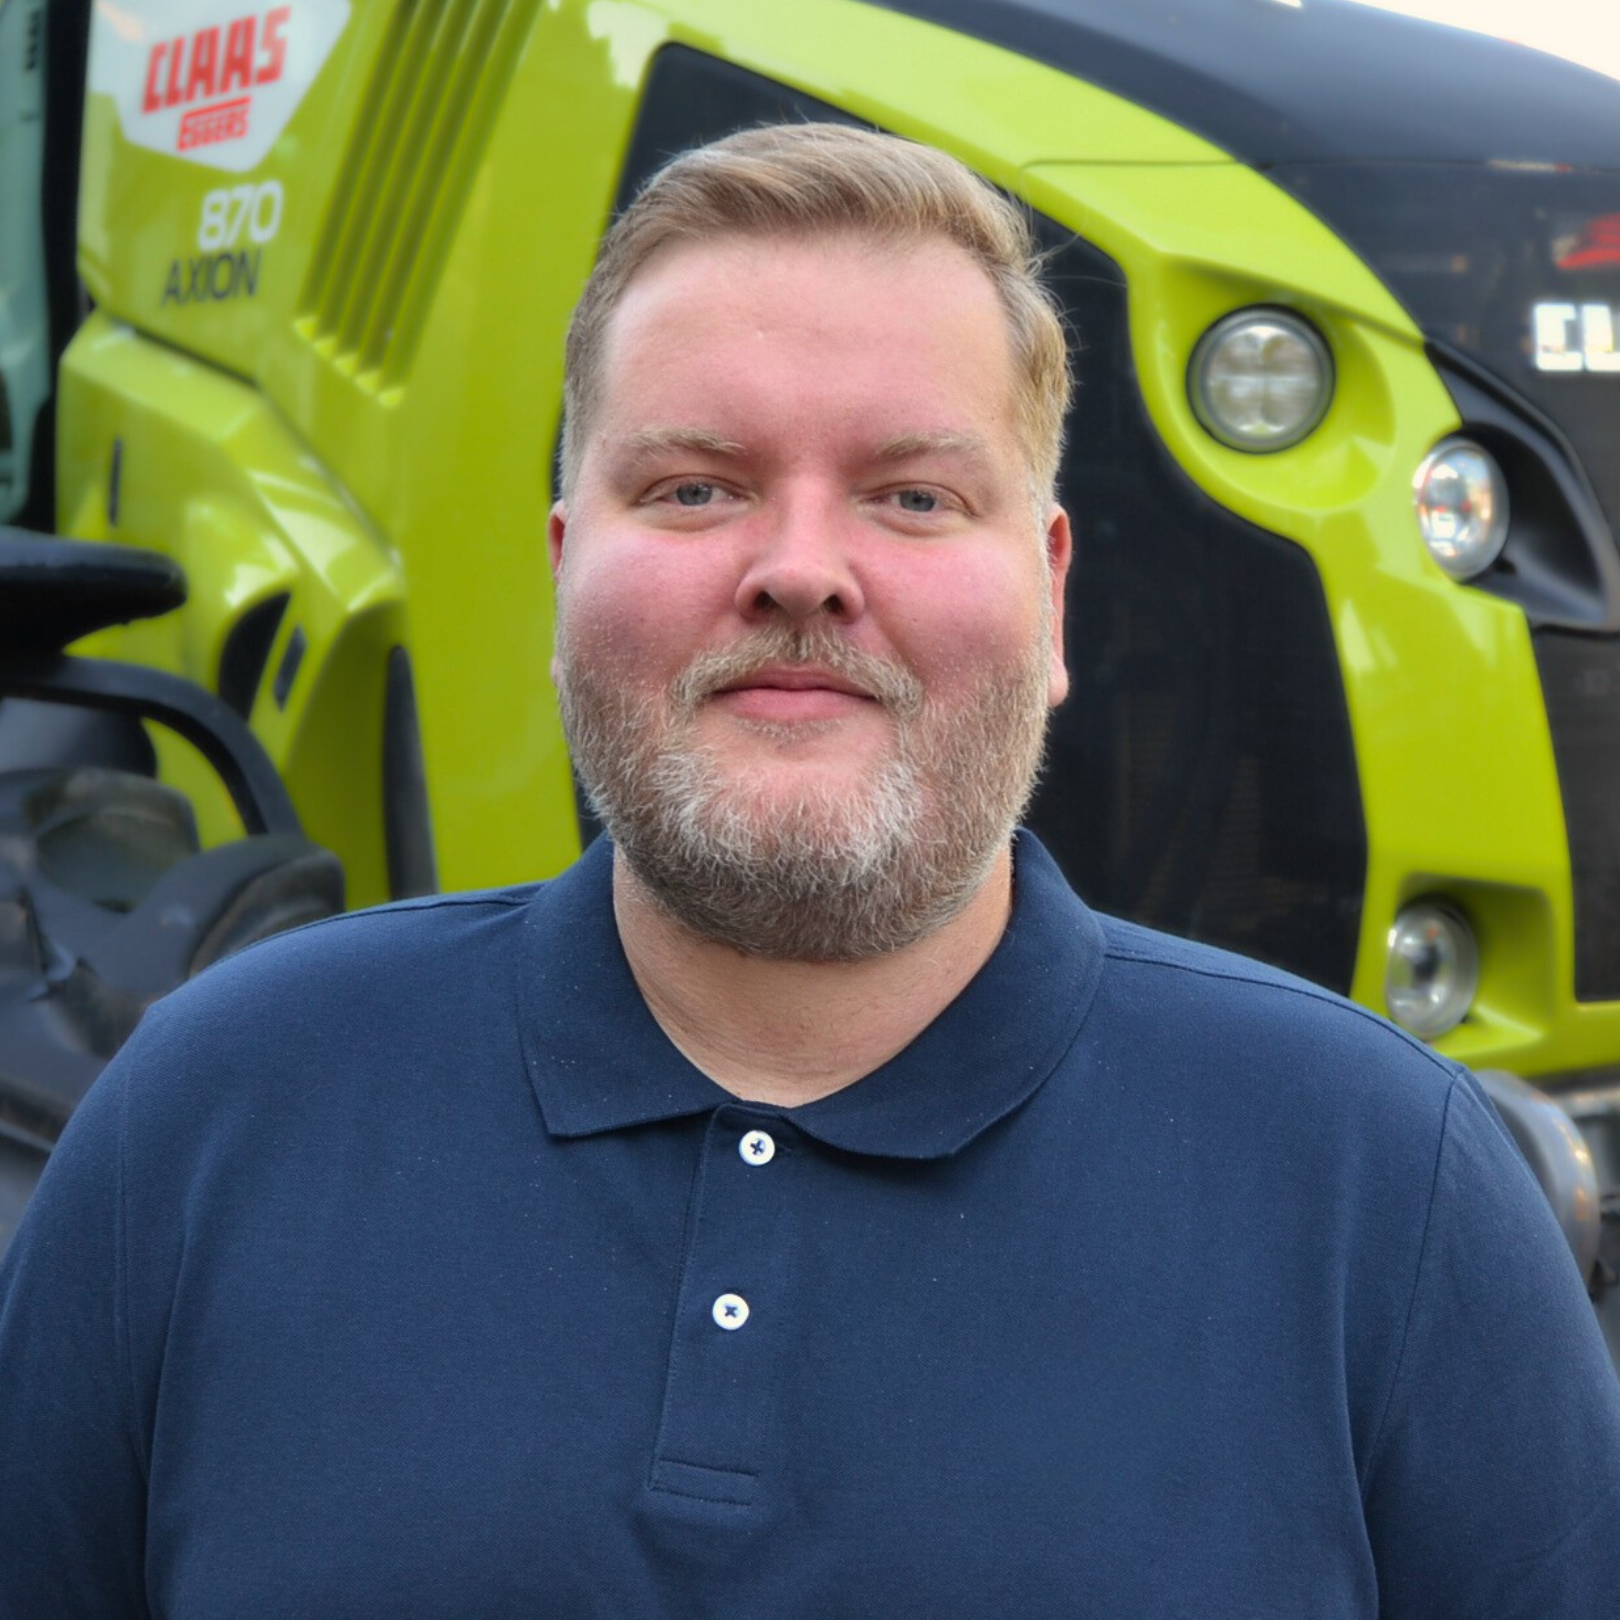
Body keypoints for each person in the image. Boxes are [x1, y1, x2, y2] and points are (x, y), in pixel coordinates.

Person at [2, 123, 1618, 1619]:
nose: (798, 571)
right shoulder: (207, 1121)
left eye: (913, 496)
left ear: (1051, 596)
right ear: (564, 576)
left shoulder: (1388, 1194)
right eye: (695, 488)